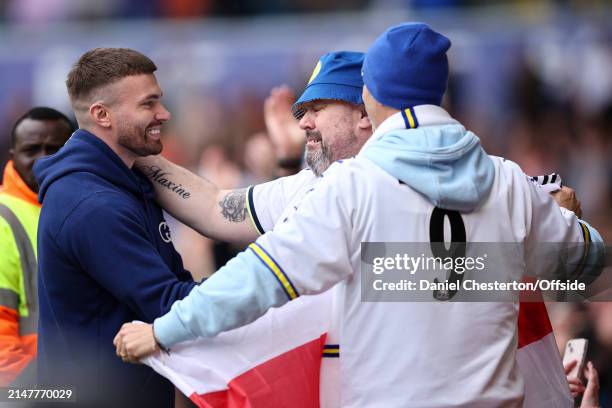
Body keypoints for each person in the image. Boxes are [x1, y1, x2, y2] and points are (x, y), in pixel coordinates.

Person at [121, 47, 596, 405]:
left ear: (365, 113)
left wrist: (167, 330)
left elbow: (258, 279)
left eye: (318, 106)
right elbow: (213, 207)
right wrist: (129, 155)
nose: (304, 120)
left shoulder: (354, 188)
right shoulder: (501, 180)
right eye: (301, 110)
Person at [33, 48, 197, 407]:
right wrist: (270, 284)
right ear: (102, 115)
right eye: (148, 104)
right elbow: (170, 305)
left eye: (160, 101)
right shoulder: (92, 206)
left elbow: (176, 284)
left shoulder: (127, 181)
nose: (164, 114)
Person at [0, 107, 73, 386]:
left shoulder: (75, 207)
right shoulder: (4, 218)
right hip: (30, 387)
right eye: (32, 149)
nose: (42, 159)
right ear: (13, 156)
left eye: (53, 149)